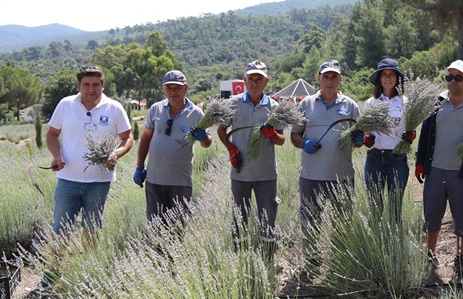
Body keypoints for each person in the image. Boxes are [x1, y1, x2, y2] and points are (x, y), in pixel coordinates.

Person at [415, 60, 463, 283]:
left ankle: (460, 257)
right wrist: (420, 163)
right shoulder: (435, 103)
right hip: (436, 170)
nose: (453, 82)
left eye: (458, 77)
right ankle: (430, 254)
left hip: (462, 172)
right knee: (432, 214)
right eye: (449, 77)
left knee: (462, 216)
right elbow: (425, 135)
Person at [46, 65, 133, 238]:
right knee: (61, 230)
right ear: (78, 86)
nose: (91, 89)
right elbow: (52, 134)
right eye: (86, 84)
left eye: (95, 84)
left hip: (99, 181)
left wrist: (115, 154)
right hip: (68, 180)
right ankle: (57, 264)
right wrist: (57, 156)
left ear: (103, 86)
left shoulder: (114, 108)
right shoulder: (65, 105)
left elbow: (128, 137)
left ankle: (88, 263)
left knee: (92, 229)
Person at [290, 60, 362, 264]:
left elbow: (359, 141)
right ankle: (312, 259)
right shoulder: (305, 104)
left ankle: (340, 259)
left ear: (340, 79)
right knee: (311, 219)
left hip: (342, 176)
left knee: (342, 221)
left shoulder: (351, 106)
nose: (329, 81)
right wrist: (304, 143)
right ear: (319, 78)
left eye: (334, 77)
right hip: (312, 175)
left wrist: (358, 140)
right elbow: (295, 136)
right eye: (326, 77)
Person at [217, 60, 285, 260]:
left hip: (266, 174)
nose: (255, 83)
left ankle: (268, 258)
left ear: (266, 81)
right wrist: (231, 149)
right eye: (251, 79)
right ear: (245, 80)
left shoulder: (274, 107)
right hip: (241, 173)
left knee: (268, 219)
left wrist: (272, 134)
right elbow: (222, 130)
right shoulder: (233, 103)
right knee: (239, 219)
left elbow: (281, 140)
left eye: (259, 79)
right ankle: (240, 259)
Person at [134, 70, 212, 222]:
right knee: (155, 226)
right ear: (163, 89)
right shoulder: (155, 109)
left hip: (180, 181)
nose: (172, 92)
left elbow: (207, 143)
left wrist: (204, 137)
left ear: (185, 88)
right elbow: (145, 139)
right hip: (155, 179)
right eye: (168, 88)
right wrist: (139, 167)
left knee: (177, 227)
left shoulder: (196, 113)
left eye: (177, 88)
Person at [362, 58, 414, 224]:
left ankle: (395, 245)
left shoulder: (406, 103)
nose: (388, 78)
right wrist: (367, 139)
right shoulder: (371, 103)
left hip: (397, 158)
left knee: (395, 207)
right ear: (379, 79)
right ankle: (375, 242)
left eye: (392, 74)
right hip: (374, 157)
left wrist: (411, 137)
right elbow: (367, 131)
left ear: (397, 78)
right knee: (375, 207)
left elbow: (410, 130)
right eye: (384, 74)